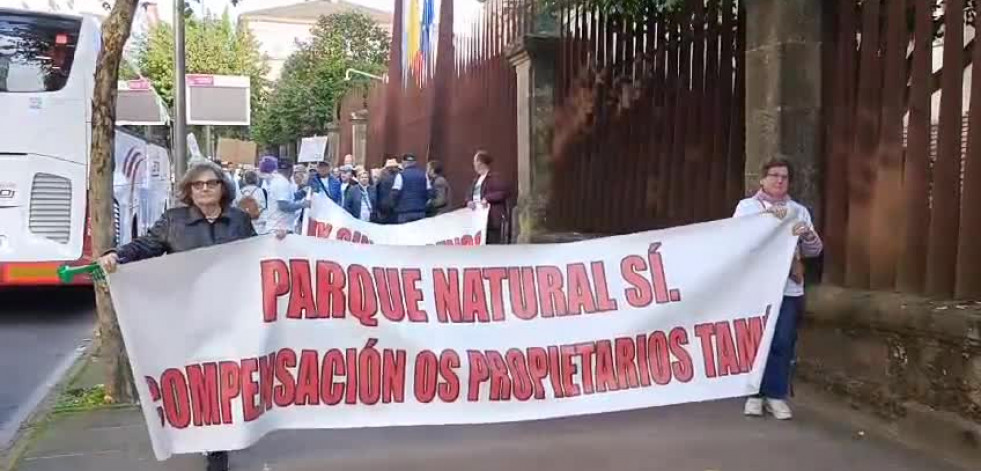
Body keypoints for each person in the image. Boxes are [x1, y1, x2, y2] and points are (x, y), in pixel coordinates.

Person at [96, 160, 274, 471]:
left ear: (223, 188)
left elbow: (257, 251)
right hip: (189, 315)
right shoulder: (173, 221)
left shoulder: (238, 219)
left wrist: (279, 243)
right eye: (197, 184)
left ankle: (222, 442)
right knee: (202, 380)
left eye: (211, 183)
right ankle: (210, 442)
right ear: (189, 190)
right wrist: (117, 255)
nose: (205, 188)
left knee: (227, 376)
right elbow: (145, 246)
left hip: (232, 313)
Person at [733, 158, 823, 421]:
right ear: (762, 179)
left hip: (788, 288)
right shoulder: (747, 208)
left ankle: (775, 394)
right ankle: (754, 395)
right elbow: (739, 240)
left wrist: (805, 235)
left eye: (784, 176)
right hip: (757, 286)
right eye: (774, 175)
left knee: (782, 341)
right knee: (758, 340)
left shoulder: (799, 211)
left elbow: (814, 250)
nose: (779, 180)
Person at [465, 150, 511, 244]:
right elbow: (469, 194)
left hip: (491, 219)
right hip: (477, 219)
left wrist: (487, 198)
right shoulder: (475, 180)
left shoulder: (494, 177)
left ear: (480, 163)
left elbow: (503, 193)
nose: (473, 164)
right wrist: (468, 201)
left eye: (475, 161)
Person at [261, 157, 310, 234]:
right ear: (291, 170)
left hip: (280, 226)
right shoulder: (282, 183)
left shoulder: (280, 181)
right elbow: (284, 206)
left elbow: (289, 198)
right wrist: (302, 204)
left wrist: (302, 193)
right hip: (279, 228)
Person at [390, 153, 433, 224]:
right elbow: (430, 192)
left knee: (404, 233)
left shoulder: (401, 175)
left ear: (404, 162)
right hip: (420, 211)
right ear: (415, 163)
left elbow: (394, 193)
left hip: (404, 211)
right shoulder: (424, 174)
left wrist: (394, 206)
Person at [235, 170, 269, 234]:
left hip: (245, 223)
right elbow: (264, 206)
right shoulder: (261, 191)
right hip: (259, 222)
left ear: (244, 180)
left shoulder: (239, 192)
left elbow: (236, 206)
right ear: (256, 179)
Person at [374, 158, 401, 224]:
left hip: (382, 207)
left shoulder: (381, 176)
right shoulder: (399, 176)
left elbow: (376, 190)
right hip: (395, 207)